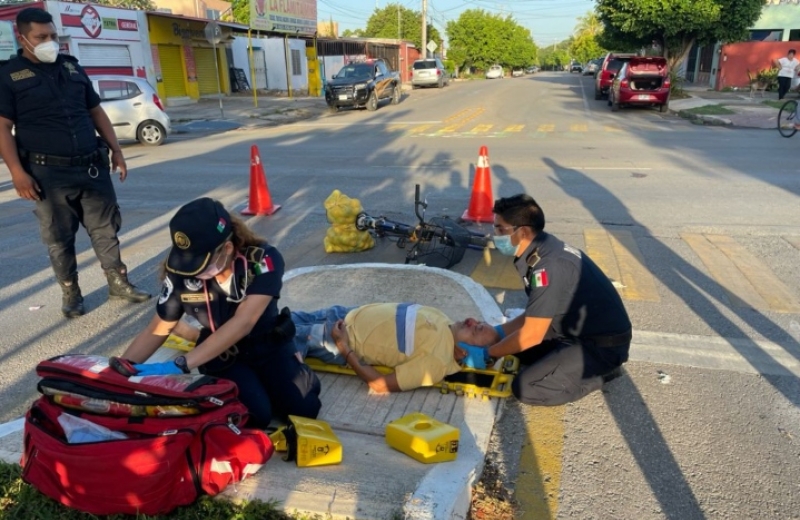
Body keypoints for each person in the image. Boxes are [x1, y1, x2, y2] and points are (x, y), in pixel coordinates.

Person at [0, 7, 150, 318]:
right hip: (46, 173)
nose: (49, 42)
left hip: (91, 166)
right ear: (22, 38)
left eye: (53, 36)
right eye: (41, 37)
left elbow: (96, 112)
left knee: (106, 229)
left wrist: (116, 150)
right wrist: (17, 173)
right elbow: (2, 127)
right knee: (59, 237)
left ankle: (118, 283)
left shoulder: (72, 68)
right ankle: (71, 292)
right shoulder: (8, 75)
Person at [120, 197, 321, 428]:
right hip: (222, 354)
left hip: (267, 345)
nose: (192, 272)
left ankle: (294, 369)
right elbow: (158, 328)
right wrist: (116, 373)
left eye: (199, 263)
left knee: (304, 410)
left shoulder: (262, 261)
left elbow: (244, 321)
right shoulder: (180, 271)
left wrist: (182, 364)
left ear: (227, 248)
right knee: (256, 417)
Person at [460, 194, 631, 406]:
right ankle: (564, 359)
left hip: (601, 346)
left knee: (526, 388)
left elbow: (531, 334)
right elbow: (535, 316)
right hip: (575, 329)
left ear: (522, 231)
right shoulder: (541, 247)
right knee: (515, 351)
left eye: (500, 229)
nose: (495, 235)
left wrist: (488, 354)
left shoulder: (547, 267)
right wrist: (498, 334)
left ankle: (602, 375)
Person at [290, 304, 501, 393]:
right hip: (340, 314)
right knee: (272, 317)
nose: (471, 320)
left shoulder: (436, 362)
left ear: (464, 352)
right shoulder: (445, 321)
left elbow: (380, 385)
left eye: (476, 329)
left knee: (268, 333)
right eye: (478, 322)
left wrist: (343, 346)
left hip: (336, 336)